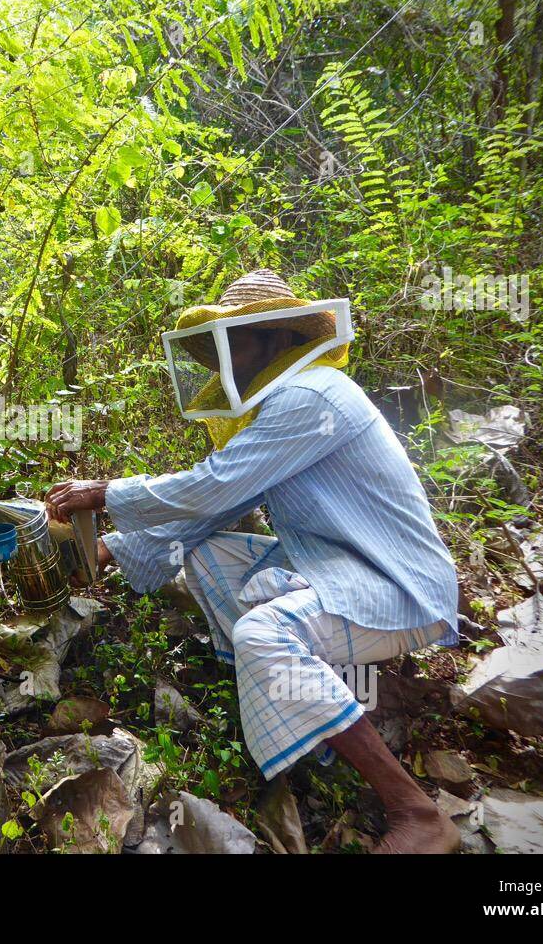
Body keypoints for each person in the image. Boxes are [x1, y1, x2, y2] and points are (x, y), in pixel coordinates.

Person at [46, 269, 461, 853]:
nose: (223, 360)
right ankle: (302, 713)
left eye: (233, 340)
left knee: (264, 632)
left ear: (275, 337)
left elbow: (212, 486)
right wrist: (111, 547)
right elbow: (215, 511)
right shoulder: (291, 401)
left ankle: (416, 810)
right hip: (342, 568)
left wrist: (106, 493)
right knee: (209, 555)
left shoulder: (310, 396)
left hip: (398, 588)